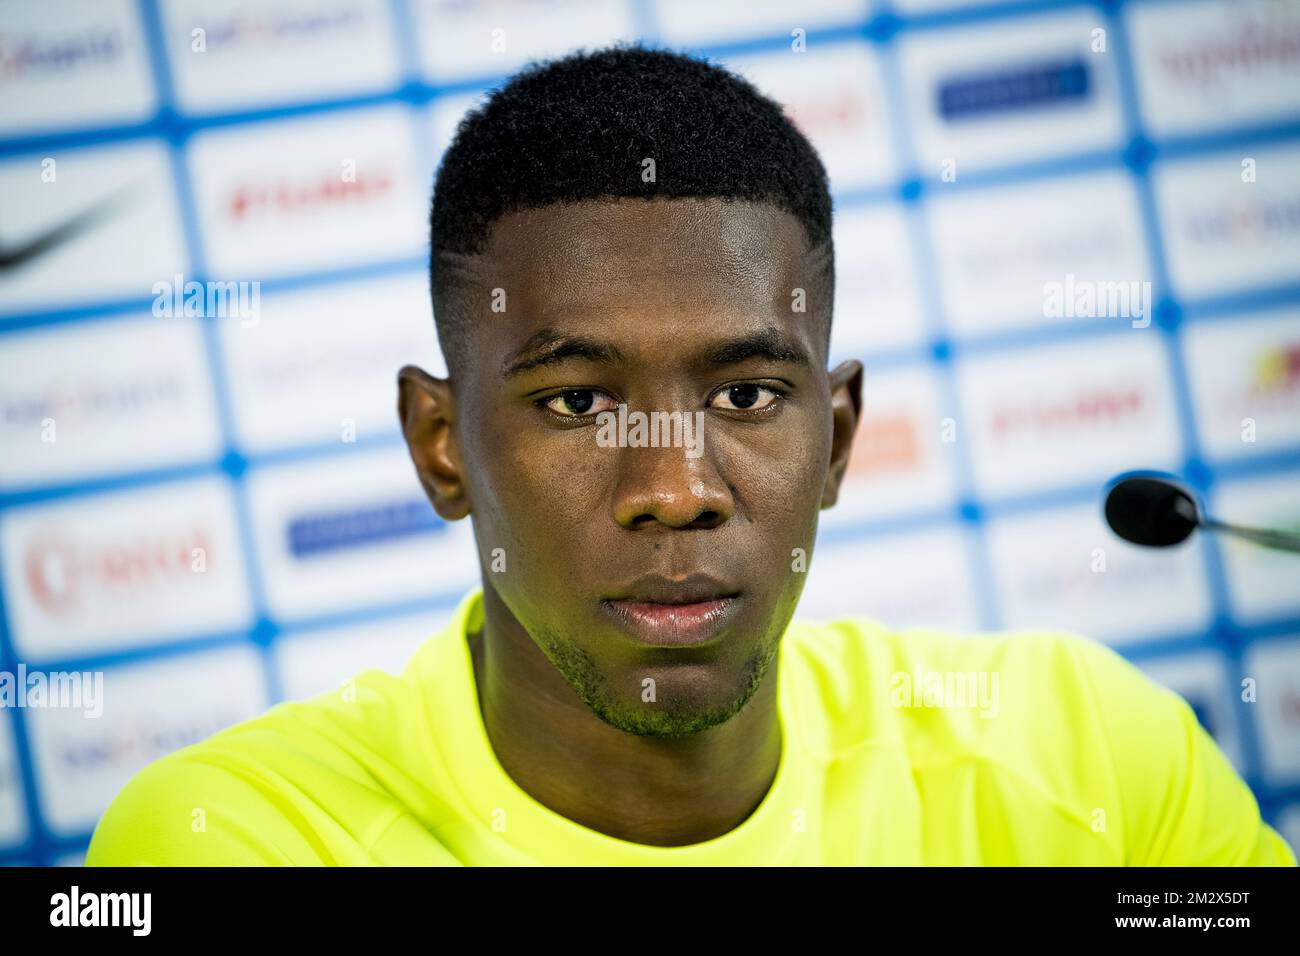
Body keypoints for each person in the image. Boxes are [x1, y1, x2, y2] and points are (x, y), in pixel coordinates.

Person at [86, 45, 1296, 866]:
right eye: (574, 403)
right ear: (441, 449)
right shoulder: (236, 837)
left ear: (833, 437)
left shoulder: (1087, 753)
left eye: (748, 391)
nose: (674, 487)